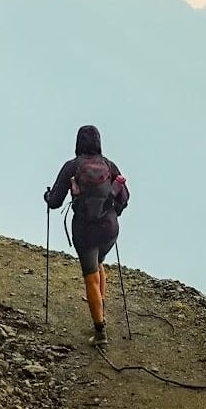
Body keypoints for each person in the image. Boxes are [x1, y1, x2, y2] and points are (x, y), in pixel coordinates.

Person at [44, 124, 130, 344]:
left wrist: (47, 197)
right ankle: (100, 307)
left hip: (85, 229)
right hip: (109, 228)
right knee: (99, 262)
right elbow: (124, 197)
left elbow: (55, 201)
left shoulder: (73, 166)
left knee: (90, 275)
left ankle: (100, 330)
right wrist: (113, 212)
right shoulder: (109, 165)